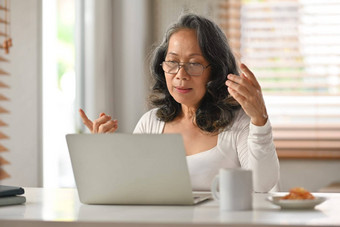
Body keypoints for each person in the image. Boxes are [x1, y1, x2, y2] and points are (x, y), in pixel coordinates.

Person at [79, 13, 280, 192]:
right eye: (172, 62)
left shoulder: (239, 122)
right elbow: (129, 190)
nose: (180, 75)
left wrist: (260, 120)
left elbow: (262, 185)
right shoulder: (151, 123)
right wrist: (102, 151)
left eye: (194, 64)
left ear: (216, 71)